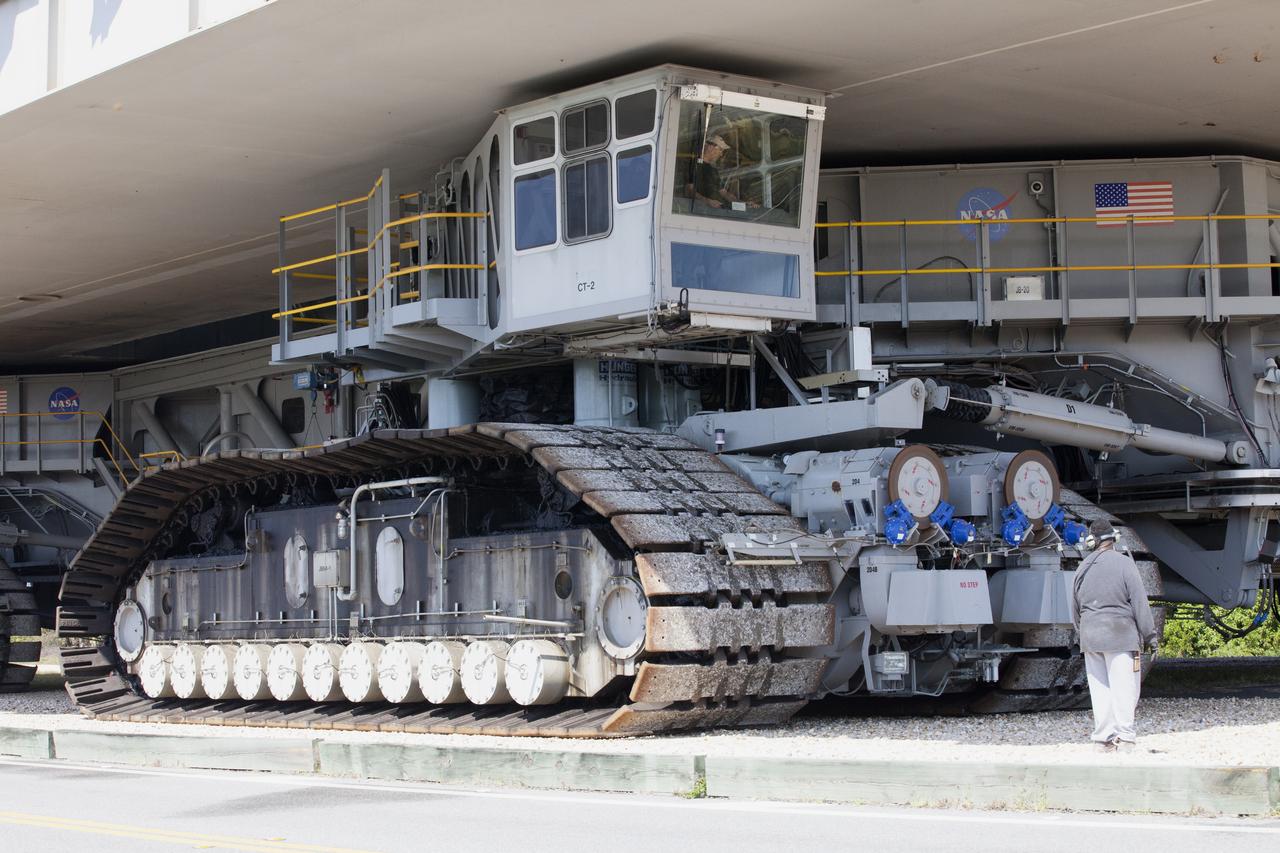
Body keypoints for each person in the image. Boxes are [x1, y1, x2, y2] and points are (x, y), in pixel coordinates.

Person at [1070, 518, 1159, 753]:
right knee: (1125, 687)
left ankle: (1102, 740)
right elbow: (1140, 601)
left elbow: (1074, 609)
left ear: (1092, 542)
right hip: (1120, 635)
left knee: (1100, 690)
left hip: (1091, 637)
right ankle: (1126, 738)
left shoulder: (1082, 567)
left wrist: (1085, 635)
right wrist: (1150, 637)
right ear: (1114, 539)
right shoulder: (1124, 564)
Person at [686, 134, 756, 210]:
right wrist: (707, 201)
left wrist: (743, 203)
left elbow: (724, 193)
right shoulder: (695, 165)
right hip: (703, 211)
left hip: (720, 210)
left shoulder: (713, 170)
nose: (721, 154)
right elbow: (689, 190)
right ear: (710, 147)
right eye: (720, 149)